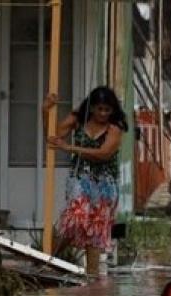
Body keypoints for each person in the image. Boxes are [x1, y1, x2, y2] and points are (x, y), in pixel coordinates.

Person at [42, 86, 128, 276]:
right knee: (75, 218)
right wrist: (45, 111)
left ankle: (92, 274)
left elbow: (104, 154)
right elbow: (53, 137)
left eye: (107, 110)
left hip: (105, 183)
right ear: (92, 107)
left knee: (95, 229)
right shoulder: (78, 118)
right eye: (99, 109)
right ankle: (47, 258)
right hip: (80, 177)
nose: (103, 114)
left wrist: (70, 148)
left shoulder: (115, 128)